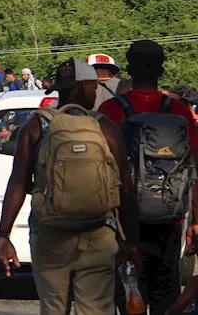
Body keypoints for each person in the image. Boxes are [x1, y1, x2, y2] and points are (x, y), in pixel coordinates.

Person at [0, 58, 141, 315]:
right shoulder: (105, 128)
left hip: (49, 234)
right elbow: (125, 187)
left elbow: (18, 181)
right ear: (85, 87)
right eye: (93, 87)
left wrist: (3, 235)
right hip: (98, 235)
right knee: (96, 309)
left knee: (53, 308)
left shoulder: (35, 126)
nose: (95, 92)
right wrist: (131, 240)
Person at [99, 41, 198, 315]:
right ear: (161, 68)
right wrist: (195, 222)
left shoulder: (110, 110)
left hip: (124, 220)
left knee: (131, 289)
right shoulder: (179, 111)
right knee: (166, 291)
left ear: (129, 69)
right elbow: (193, 170)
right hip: (170, 216)